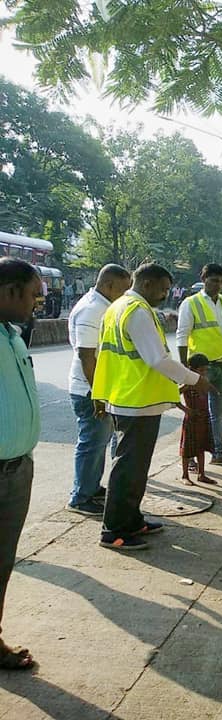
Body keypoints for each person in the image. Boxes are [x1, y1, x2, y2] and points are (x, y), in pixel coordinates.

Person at [92, 263, 213, 551]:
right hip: (135, 400)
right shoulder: (136, 311)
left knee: (135, 467)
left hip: (130, 397)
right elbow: (157, 359)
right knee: (128, 469)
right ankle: (114, 531)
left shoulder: (119, 307)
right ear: (147, 283)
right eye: (163, 289)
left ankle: (132, 520)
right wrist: (195, 379)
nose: (165, 295)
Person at [0, 258, 42, 670]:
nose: (37, 303)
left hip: (16, 469)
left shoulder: (12, 335)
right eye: (32, 295)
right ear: (10, 292)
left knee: (2, 562)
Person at [66, 263, 132, 516]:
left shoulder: (102, 305)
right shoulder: (93, 310)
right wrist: (98, 393)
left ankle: (91, 488)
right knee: (91, 443)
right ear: (109, 284)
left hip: (98, 388)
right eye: (123, 289)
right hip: (89, 390)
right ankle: (81, 496)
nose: (125, 294)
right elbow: (86, 356)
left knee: (99, 442)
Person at [177, 263, 222, 468]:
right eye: (214, 280)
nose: (219, 285)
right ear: (203, 279)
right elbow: (182, 337)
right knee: (196, 414)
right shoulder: (191, 303)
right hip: (200, 370)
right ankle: (191, 458)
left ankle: (218, 452)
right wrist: (185, 370)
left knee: (218, 415)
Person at [179, 354, 216, 486]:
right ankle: (185, 475)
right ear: (191, 369)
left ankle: (202, 474)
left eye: (206, 370)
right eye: (201, 370)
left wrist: (214, 389)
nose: (204, 373)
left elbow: (212, 390)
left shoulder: (203, 381)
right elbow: (174, 396)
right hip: (191, 419)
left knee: (201, 446)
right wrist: (185, 409)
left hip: (204, 417)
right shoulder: (188, 383)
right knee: (187, 449)